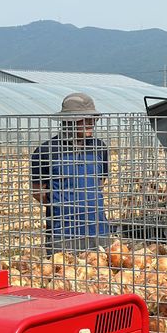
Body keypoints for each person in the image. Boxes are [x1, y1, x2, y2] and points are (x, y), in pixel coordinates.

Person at [31, 93, 110, 255]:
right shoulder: (46, 151)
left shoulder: (99, 147)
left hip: (98, 228)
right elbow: (38, 192)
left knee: (102, 274)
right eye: (85, 119)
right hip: (63, 232)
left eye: (93, 119)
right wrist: (62, 205)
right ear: (68, 121)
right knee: (64, 274)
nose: (91, 123)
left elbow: (101, 182)